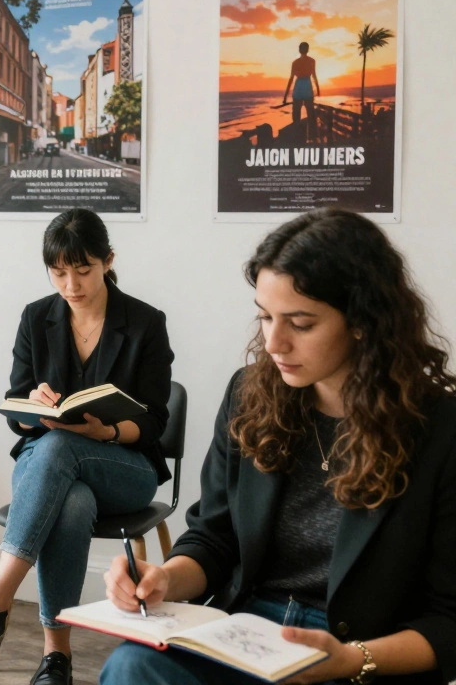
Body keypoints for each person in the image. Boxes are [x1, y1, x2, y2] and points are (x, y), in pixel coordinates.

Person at [101, 208, 456, 685]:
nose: (273, 343)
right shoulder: (250, 396)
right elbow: (214, 538)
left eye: (301, 324)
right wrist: (165, 579)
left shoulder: (439, 428)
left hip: (360, 654)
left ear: (363, 321)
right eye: (265, 317)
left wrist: (352, 660)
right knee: (132, 665)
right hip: (249, 634)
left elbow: (448, 618)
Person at [0, 208, 174, 685]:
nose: (71, 284)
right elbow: (17, 410)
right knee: (71, 501)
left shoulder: (146, 322)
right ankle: (56, 657)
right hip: (50, 467)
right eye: (59, 272)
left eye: (84, 270)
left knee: (62, 448)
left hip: (125, 466)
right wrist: (33, 404)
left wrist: (106, 432)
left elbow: (154, 423)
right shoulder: (36, 318)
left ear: (108, 260)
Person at [283, 41, 321, 139]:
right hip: (307, 87)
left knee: (296, 114)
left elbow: (291, 79)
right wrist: (318, 89)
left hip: (299, 87)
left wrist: (285, 96)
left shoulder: (295, 63)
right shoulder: (312, 61)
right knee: (310, 114)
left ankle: (298, 136)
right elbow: (314, 75)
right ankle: (312, 137)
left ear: (299, 50)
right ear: (307, 50)